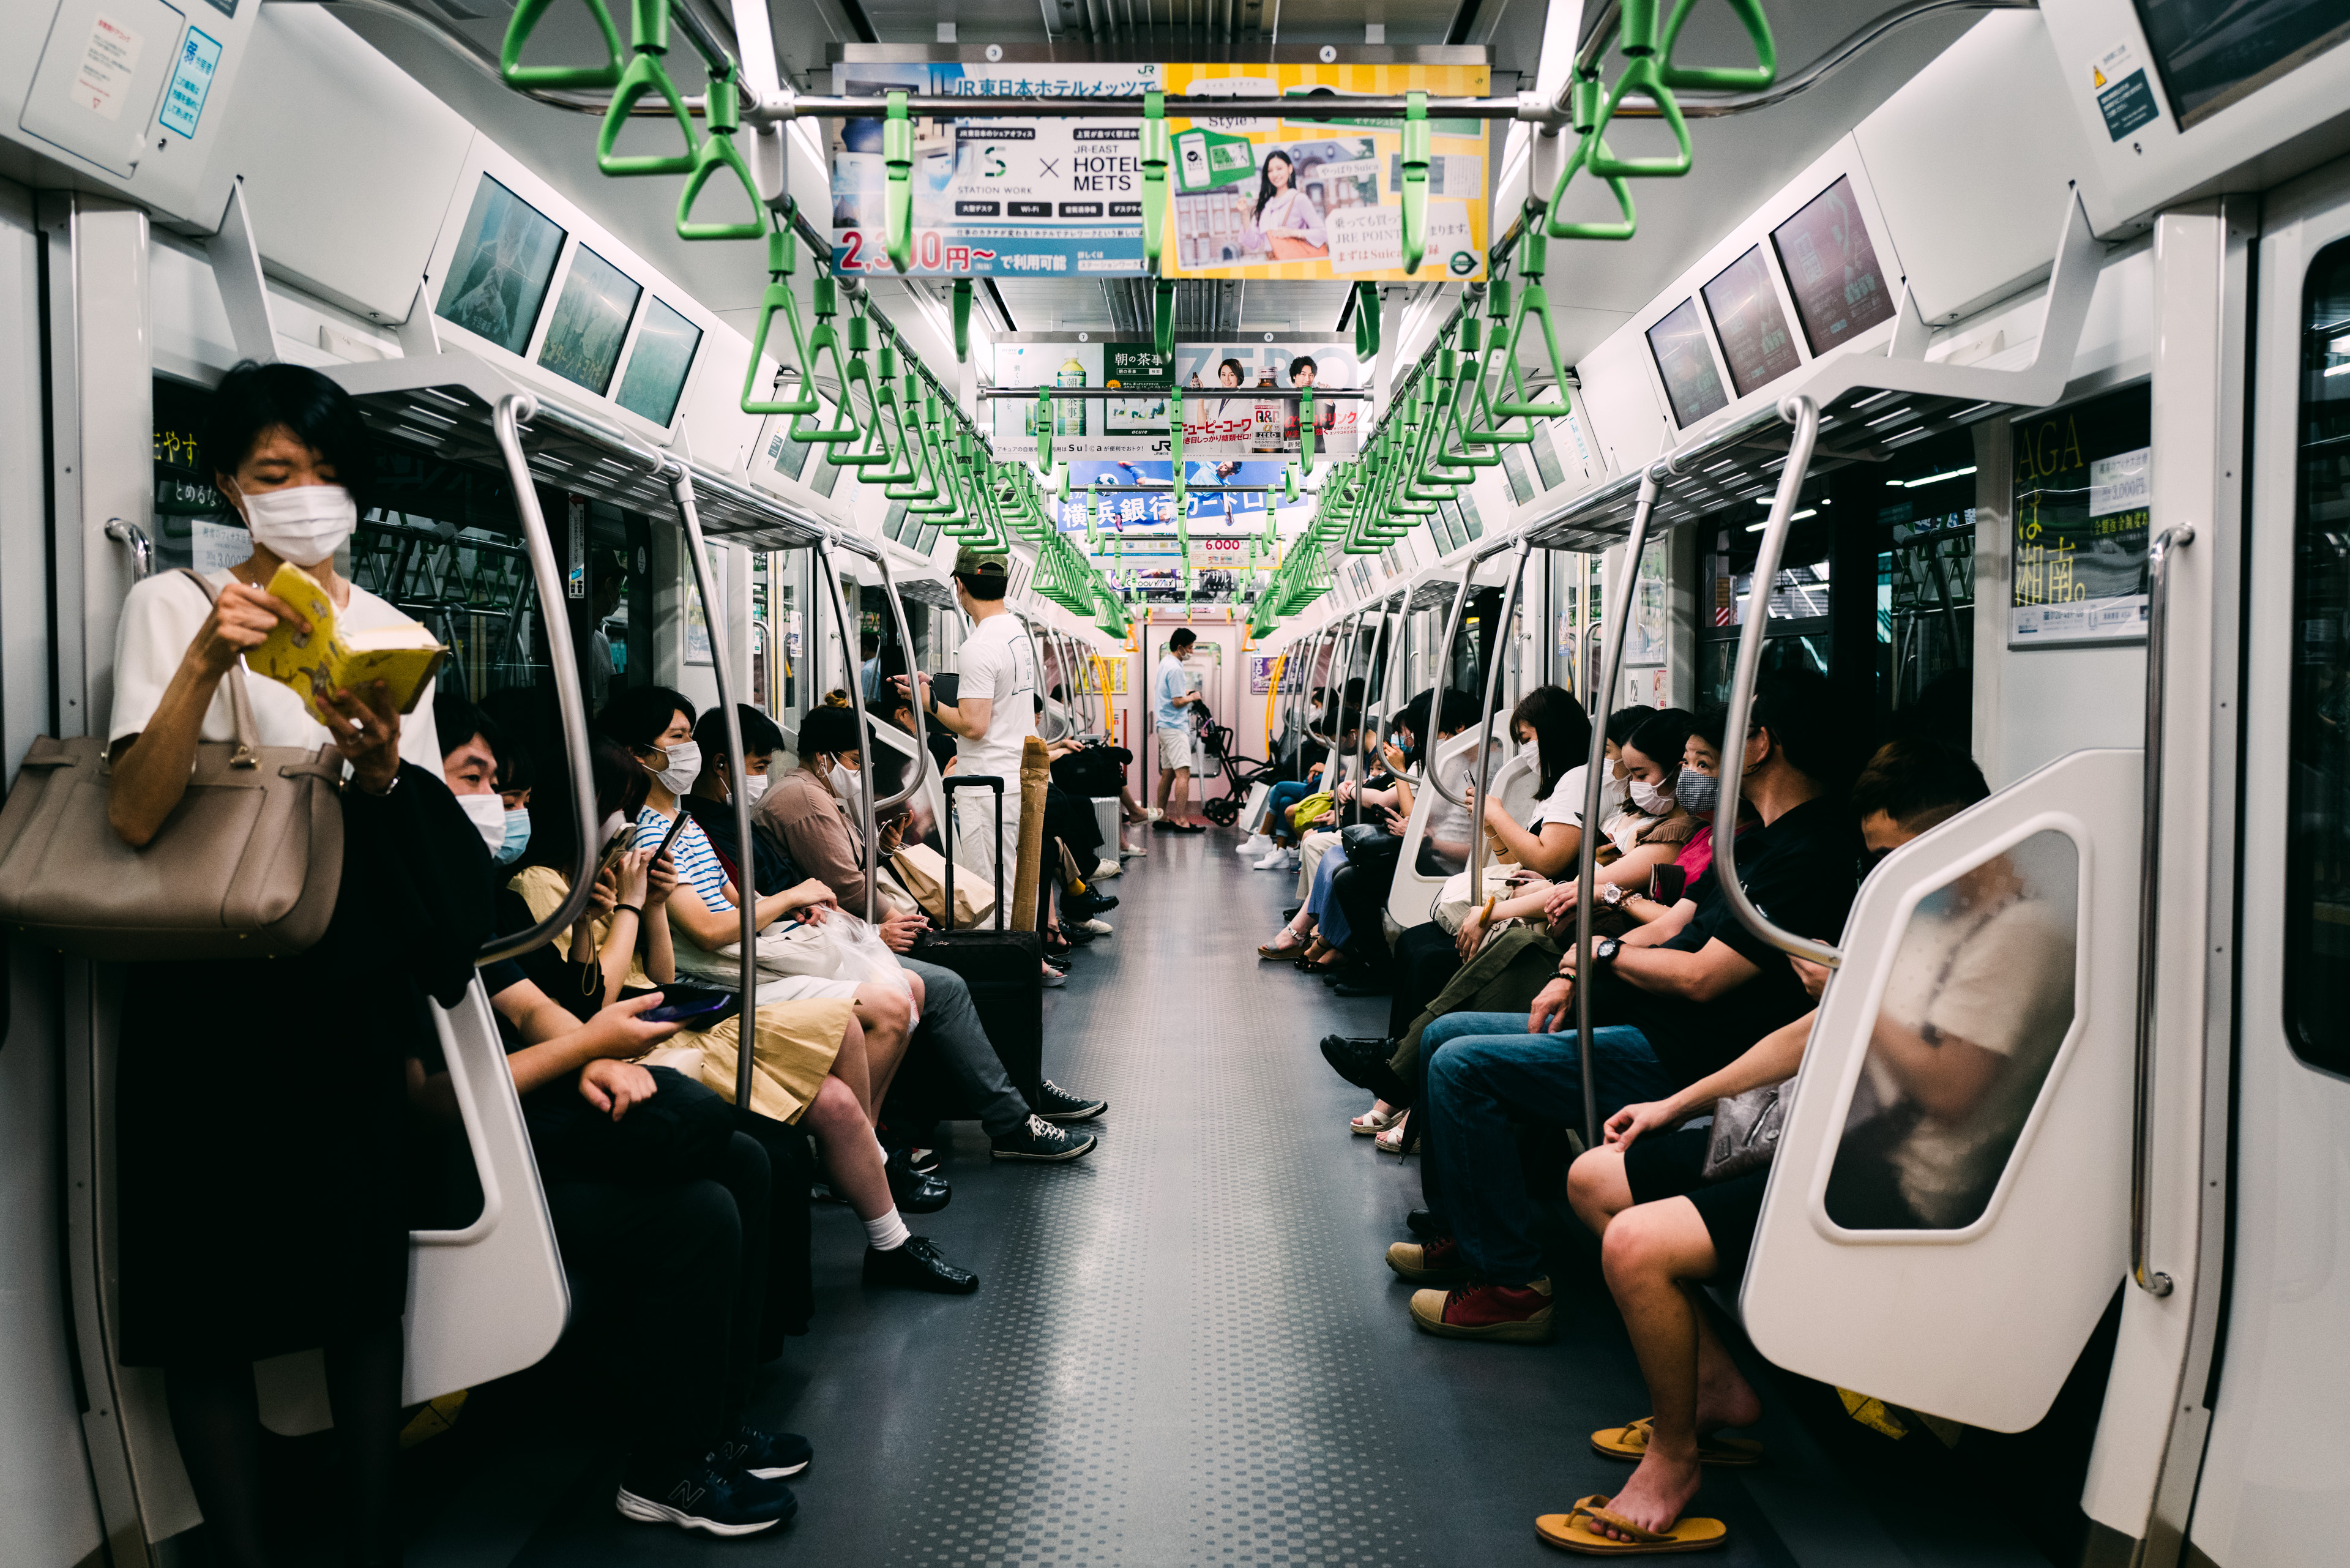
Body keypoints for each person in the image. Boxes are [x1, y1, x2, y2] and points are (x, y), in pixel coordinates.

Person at [103, 360, 463, 1568]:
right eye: (275, 475)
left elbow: (406, 845)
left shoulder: (393, 636)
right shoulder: (172, 607)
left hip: (340, 991)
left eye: (326, 475)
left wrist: (375, 765)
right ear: (228, 488)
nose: (305, 497)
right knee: (207, 1302)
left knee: (358, 1295)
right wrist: (209, 660)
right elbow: (135, 817)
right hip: (201, 995)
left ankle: (369, 1542)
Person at [1553, 739, 1996, 1550]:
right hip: (1829, 1129)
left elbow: (1953, 1088)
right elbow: (1811, 1032)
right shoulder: (1925, 910)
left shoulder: (2008, 936)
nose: (1879, 879)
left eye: (1894, 857)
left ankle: (1674, 1459)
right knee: (1596, 1177)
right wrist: (1675, 1102)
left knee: (1636, 1243)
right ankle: (1718, 1392)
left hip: (1895, 1169)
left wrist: (1859, 995)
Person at [1387, 672, 1860, 1344]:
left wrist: (1601, 959)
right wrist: (1578, 967)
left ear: (1761, 747)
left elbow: (1701, 979)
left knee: (1464, 1067)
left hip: (1689, 1052)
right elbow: (1672, 929)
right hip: (1653, 1023)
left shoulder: (1807, 853)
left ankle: (1512, 1286)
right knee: (1447, 1034)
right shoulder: (1752, 841)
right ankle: (1470, 1236)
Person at [427, 704, 808, 1532]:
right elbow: (442, 1089)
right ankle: (664, 1467)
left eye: (504, 784)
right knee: (703, 1199)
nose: (499, 802)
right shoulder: (432, 906)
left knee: (743, 1158)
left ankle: (710, 1429)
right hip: (475, 1153)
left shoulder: (470, 903)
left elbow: (534, 1013)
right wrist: (594, 1041)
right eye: (477, 779)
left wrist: (593, 1052)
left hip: (524, 1116)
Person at [759, 703, 1107, 1160]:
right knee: (957, 977)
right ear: (823, 757)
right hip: (843, 933)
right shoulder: (804, 802)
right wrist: (887, 923)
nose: (860, 770)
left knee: (994, 959)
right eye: (853, 759)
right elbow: (847, 887)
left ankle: (1022, 1092)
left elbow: (850, 869)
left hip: (850, 927)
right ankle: (1013, 1114)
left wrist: (883, 850)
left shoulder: (822, 795)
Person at [895, 548, 1037, 893]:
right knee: (1012, 881)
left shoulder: (979, 644)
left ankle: (994, 946)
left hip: (987, 784)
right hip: (1015, 776)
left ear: (959, 585)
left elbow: (974, 725)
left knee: (989, 887)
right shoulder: (1016, 632)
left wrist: (928, 703)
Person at [1153, 628, 1209, 832]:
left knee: (1167, 774)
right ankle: (1183, 821)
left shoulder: (1165, 663)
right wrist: (1192, 697)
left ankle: (1160, 816)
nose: (1191, 651)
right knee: (1183, 773)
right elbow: (1177, 702)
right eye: (1190, 647)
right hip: (1175, 728)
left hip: (1164, 727)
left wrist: (1185, 693)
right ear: (1180, 647)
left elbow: (1169, 693)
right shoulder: (1176, 668)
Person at [1248, 149, 1327, 258]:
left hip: (1293, 264)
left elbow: (1322, 233)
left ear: (1290, 169)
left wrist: (1292, 232)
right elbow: (1253, 243)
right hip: (1271, 264)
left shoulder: (1299, 199)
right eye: (1270, 171)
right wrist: (1243, 213)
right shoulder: (1266, 206)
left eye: (1279, 169)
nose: (1275, 174)